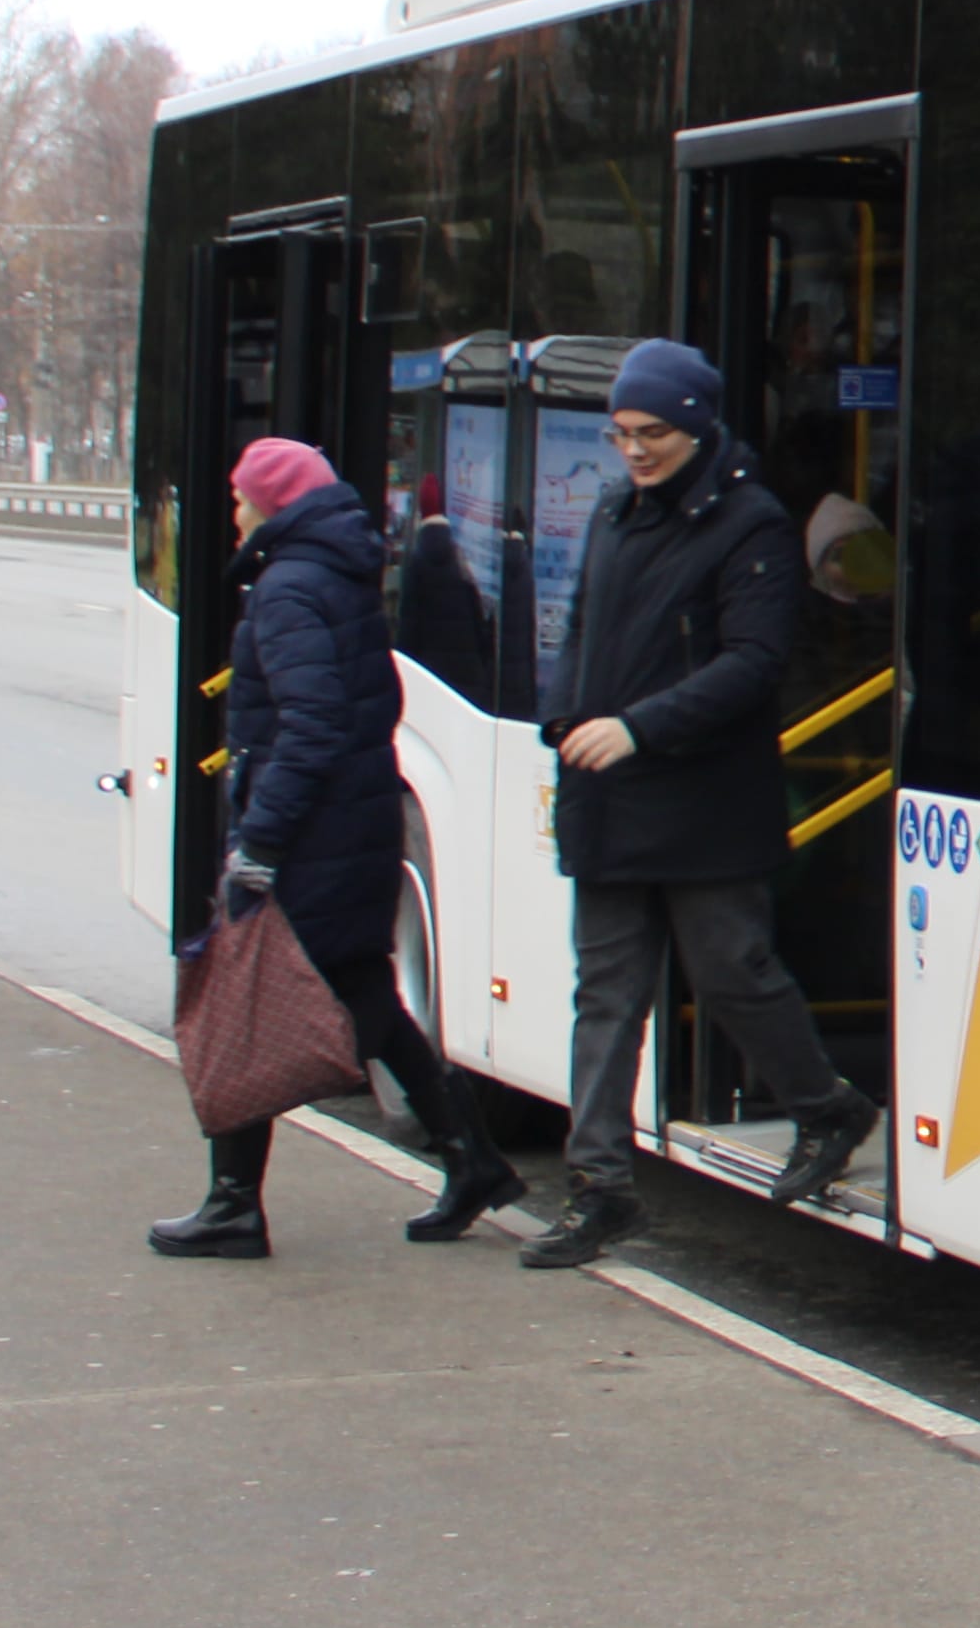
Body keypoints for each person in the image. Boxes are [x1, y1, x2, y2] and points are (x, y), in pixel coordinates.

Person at [522, 339, 866, 1269]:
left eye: (653, 434)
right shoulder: (614, 510)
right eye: (621, 433)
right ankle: (599, 1189)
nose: (634, 451)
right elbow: (582, 625)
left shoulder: (751, 524)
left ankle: (826, 1108)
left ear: (698, 426)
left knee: (731, 972)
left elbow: (753, 665)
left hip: (706, 801)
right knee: (606, 996)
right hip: (609, 798)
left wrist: (637, 728)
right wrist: (564, 715)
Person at [147, 438, 522, 1261]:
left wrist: (261, 842)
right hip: (356, 823)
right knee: (367, 996)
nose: (234, 510)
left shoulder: (287, 588)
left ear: (271, 503)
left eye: (241, 496)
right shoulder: (339, 573)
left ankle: (234, 1204)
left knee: (248, 1000)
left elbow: (309, 726)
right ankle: (473, 1160)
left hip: (311, 837)